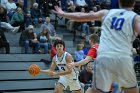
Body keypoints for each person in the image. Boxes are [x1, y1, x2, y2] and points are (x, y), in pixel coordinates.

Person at [53, 0, 139, 93]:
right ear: (134, 3)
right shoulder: (135, 18)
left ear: (119, 2)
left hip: (104, 58)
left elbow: (80, 16)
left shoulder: (106, 13)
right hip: (123, 58)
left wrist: (63, 13)